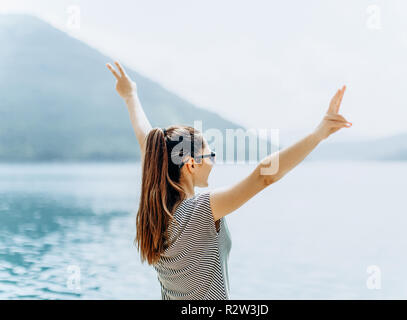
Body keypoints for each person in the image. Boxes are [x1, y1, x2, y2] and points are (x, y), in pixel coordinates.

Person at [106, 61, 352, 300]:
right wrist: (318, 134)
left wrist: (131, 96)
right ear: (191, 164)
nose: (214, 160)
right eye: (209, 154)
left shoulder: (157, 214)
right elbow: (264, 176)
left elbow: (147, 141)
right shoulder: (200, 210)